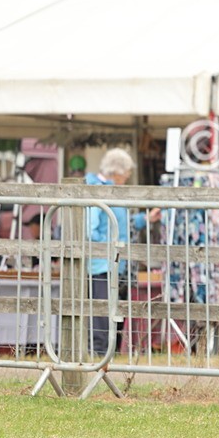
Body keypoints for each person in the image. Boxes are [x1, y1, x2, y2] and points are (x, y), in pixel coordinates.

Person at [86, 149, 161, 356]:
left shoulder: (110, 191)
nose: (127, 178)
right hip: (101, 263)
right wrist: (110, 247)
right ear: (116, 172)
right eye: (126, 173)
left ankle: (109, 352)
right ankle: (99, 352)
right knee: (102, 311)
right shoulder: (97, 191)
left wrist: (145, 220)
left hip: (114, 262)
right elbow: (90, 230)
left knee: (113, 310)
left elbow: (121, 225)